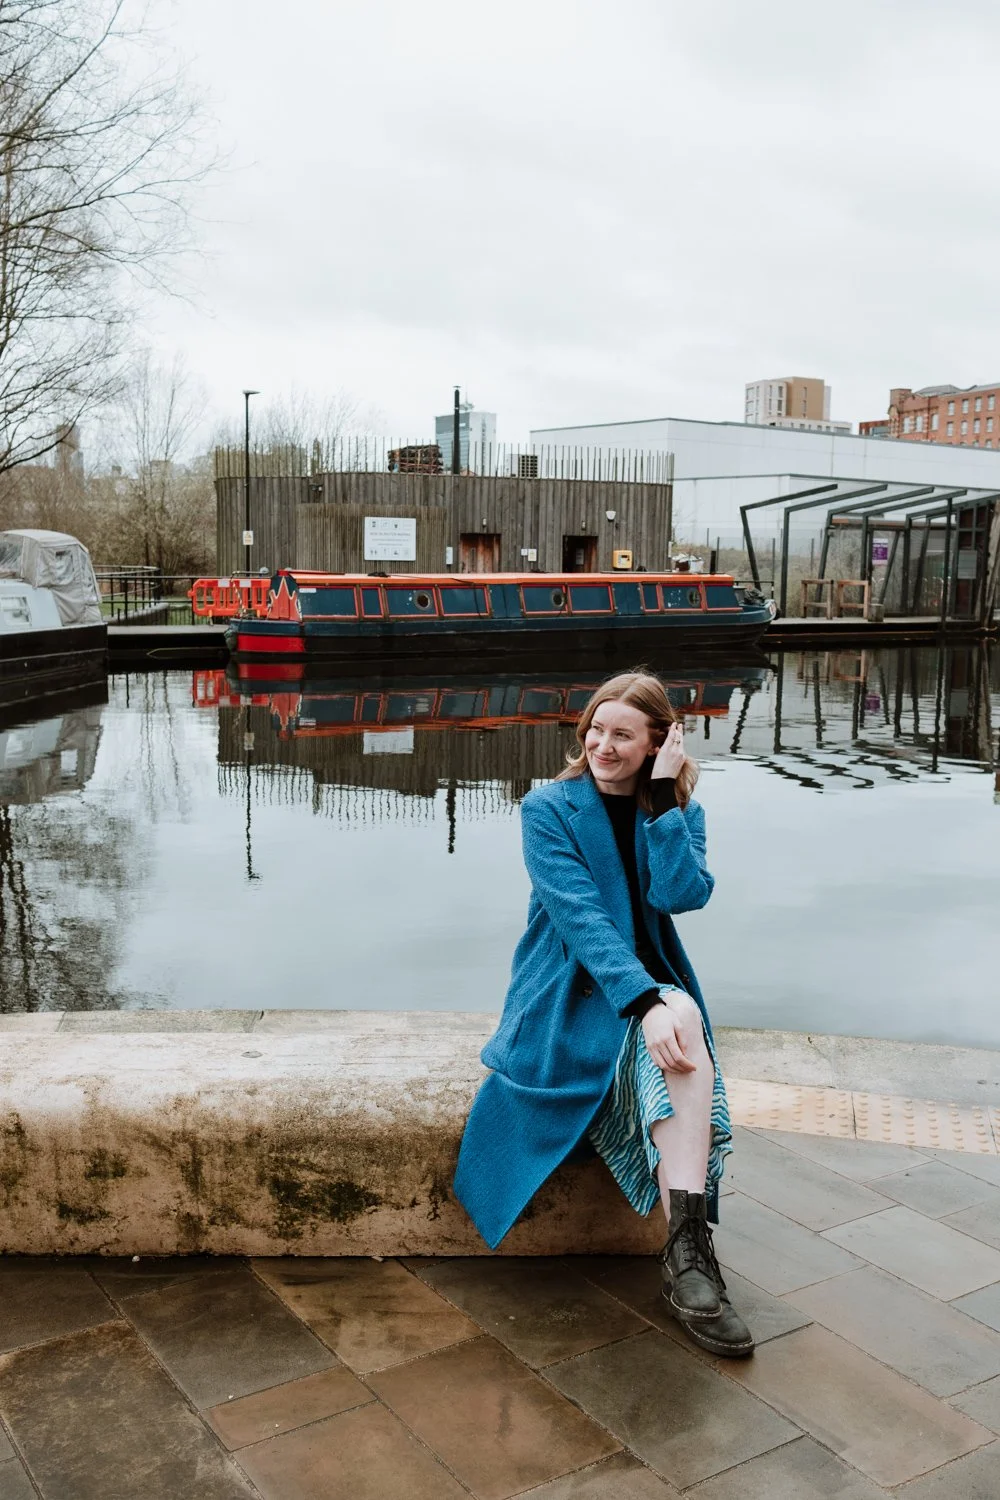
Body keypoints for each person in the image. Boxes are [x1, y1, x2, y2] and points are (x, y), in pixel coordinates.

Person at [454, 668, 752, 1357]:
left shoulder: (676, 811)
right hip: (567, 990)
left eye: (623, 734)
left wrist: (660, 803)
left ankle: (685, 1250)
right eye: (596, 729)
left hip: (652, 989)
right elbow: (582, 922)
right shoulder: (549, 809)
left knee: (680, 1031)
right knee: (677, 1026)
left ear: (658, 743)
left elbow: (684, 894)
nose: (603, 744)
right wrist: (646, 1000)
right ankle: (691, 1257)